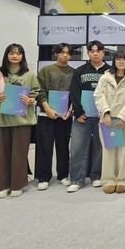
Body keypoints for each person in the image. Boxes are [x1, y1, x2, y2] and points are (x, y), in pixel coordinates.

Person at [0, 44, 41, 199]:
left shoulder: (29, 75)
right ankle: (1, 185)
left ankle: (17, 184)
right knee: (0, 155)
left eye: (18, 53)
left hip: (21, 120)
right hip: (0, 119)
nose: (15, 56)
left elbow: (36, 92)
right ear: (6, 55)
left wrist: (30, 100)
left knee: (19, 154)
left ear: (22, 56)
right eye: (11, 53)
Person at [66, 40, 111, 193]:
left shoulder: (109, 71)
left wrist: (108, 112)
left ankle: (97, 176)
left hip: (103, 116)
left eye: (98, 51)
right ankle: (76, 179)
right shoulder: (79, 71)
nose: (95, 54)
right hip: (83, 116)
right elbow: (74, 92)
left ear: (103, 53)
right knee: (77, 147)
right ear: (88, 53)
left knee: (102, 146)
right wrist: (78, 112)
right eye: (92, 51)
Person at [95, 50, 125, 194]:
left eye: (124, 59)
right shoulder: (105, 77)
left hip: (124, 121)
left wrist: (123, 117)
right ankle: (108, 181)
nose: (121, 61)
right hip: (108, 119)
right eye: (118, 59)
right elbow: (99, 96)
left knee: (124, 151)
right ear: (114, 61)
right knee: (109, 151)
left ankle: (122, 181)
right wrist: (105, 113)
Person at [34, 43, 74, 190]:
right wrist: (47, 108)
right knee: (44, 146)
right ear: (56, 53)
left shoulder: (73, 72)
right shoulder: (46, 70)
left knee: (63, 146)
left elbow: (75, 94)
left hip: (64, 116)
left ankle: (63, 175)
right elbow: (40, 91)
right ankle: (43, 177)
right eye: (62, 52)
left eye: (68, 53)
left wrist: (70, 111)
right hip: (46, 115)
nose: (65, 55)